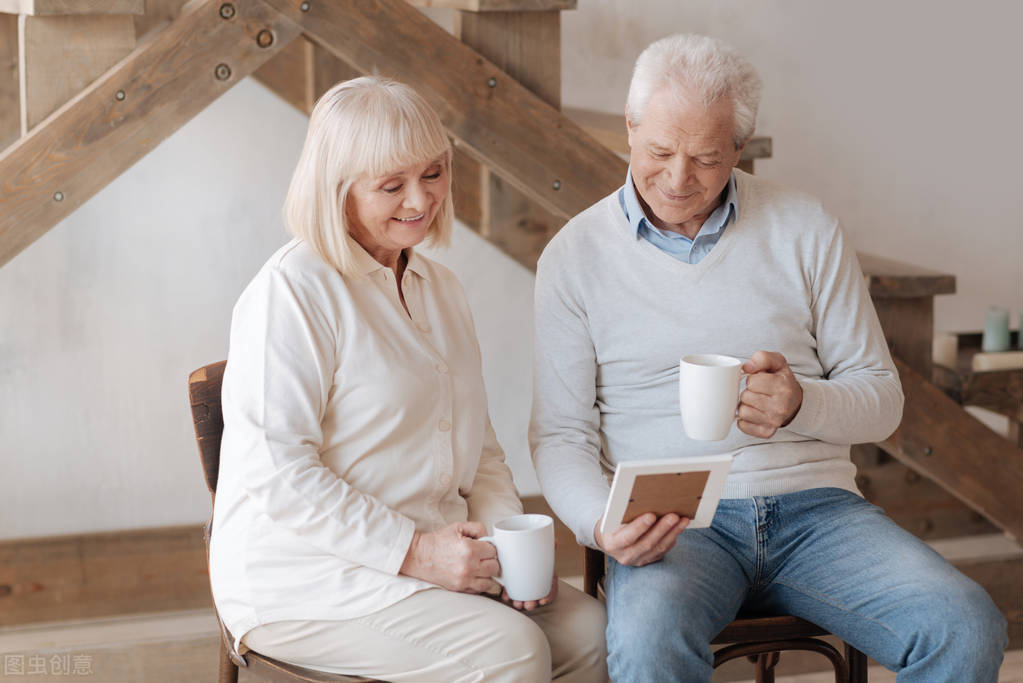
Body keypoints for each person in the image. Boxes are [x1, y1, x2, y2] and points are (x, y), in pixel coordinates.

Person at [530, 34, 1007, 682]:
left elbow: (880, 400)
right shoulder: (572, 256)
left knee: (965, 624)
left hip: (817, 511)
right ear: (630, 126)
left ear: (738, 149)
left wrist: (801, 402)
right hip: (675, 522)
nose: (677, 179)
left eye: (704, 158)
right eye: (659, 151)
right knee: (645, 642)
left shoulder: (804, 228)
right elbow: (560, 435)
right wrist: (599, 524)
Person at [208, 76, 607, 682]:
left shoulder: (441, 288)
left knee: (593, 634)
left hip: (434, 556)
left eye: (435, 173)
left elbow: (483, 453)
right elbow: (281, 476)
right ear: (336, 191)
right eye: (392, 185)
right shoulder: (290, 294)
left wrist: (505, 547)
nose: (420, 201)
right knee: (511, 651)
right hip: (305, 579)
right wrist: (417, 553)